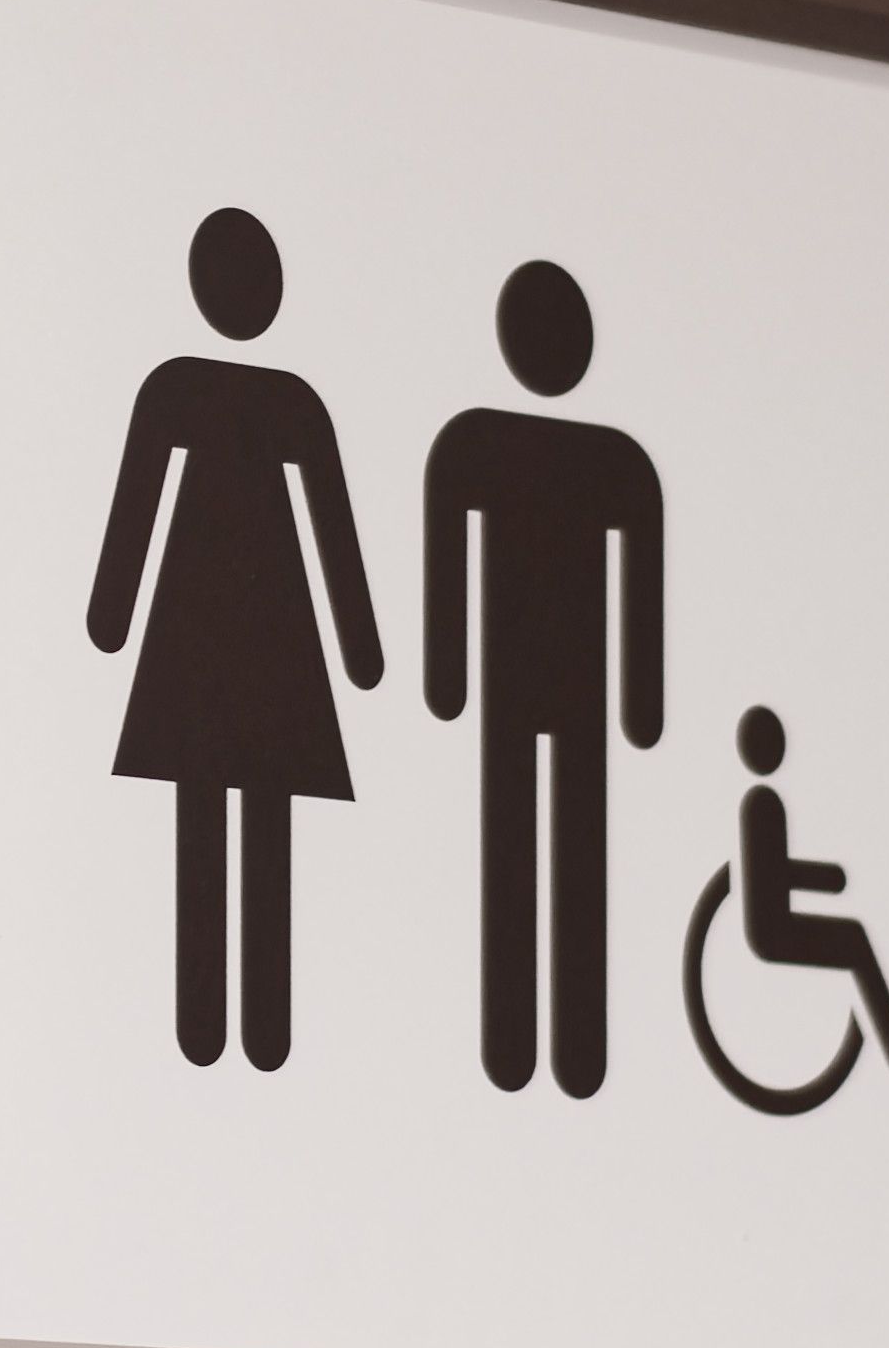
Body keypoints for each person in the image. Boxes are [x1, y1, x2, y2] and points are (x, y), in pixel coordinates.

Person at [87, 208, 384, 1070]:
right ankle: (235, 1025)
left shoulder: (189, 389)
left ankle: (227, 1024)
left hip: (209, 624)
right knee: (246, 815)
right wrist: (360, 650)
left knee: (220, 811)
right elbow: (329, 528)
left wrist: (113, 618)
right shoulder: (279, 400)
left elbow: (327, 519)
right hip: (262, 626)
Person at [423, 260, 663, 1096]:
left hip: (530, 683)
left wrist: (448, 678)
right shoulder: (599, 458)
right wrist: (640, 702)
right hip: (558, 685)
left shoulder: (485, 443)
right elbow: (449, 556)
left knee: (539, 842)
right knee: (549, 843)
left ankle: (544, 1045)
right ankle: (539, 1044)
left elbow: (640, 581)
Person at [730, 705, 889, 1069]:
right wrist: (830, 878)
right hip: (773, 930)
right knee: (854, 940)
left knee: (854, 938)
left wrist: (828, 879)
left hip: (775, 921)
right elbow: (771, 875)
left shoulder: (764, 803)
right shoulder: (763, 805)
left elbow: (773, 873)